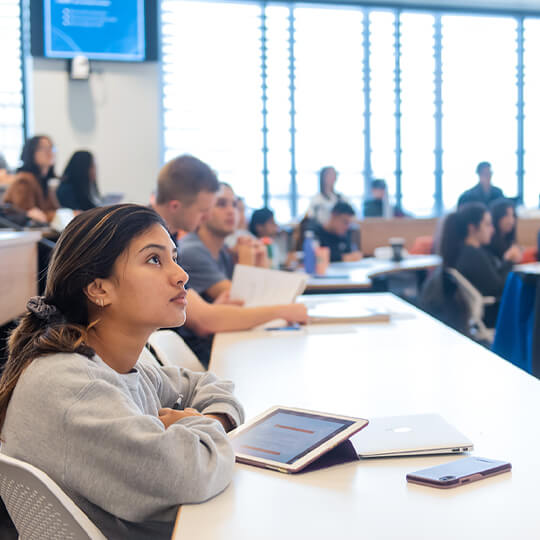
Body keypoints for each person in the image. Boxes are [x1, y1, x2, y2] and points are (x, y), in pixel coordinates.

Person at [0, 204, 244, 539]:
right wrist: (195, 424)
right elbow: (193, 474)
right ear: (98, 288)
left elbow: (205, 384)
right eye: (154, 260)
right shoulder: (71, 386)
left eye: (174, 257)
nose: (181, 275)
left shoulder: (120, 362)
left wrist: (208, 421)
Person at [152, 155, 308, 366]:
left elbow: (203, 312)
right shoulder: (159, 242)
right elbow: (205, 320)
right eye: (203, 210)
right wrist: (282, 311)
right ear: (175, 206)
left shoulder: (170, 241)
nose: (205, 217)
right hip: (178, 360)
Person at [178, 182, 268, 301]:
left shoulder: (224, 250)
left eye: (235, 205)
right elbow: (242, 300)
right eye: (221, 204)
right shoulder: (191, 251)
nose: (231, 211)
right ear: (203, 210)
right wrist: (246, 260)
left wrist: (261, 259)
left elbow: (263, 296)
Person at [440, 202, 512, 327]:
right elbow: (498, 287)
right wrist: (509, 261)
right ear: (472, 228)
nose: (492, 229)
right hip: (492, 313)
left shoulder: (465, 251)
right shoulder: (472, 255)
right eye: (487, 224)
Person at [3, 135, 59, 223]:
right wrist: (57, 216)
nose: (50, 152)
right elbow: (29, 215)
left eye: (51, 148)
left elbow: (54, 211)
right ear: (31, 153)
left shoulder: (42, 180)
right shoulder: (24, 180)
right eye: (44, 148)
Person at [486, 198, 522, 265]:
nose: (511, 221)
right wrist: (508, 259)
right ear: (496, 217)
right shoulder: (488, 242)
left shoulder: (509, 241)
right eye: (506, 215)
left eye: (513, 215)